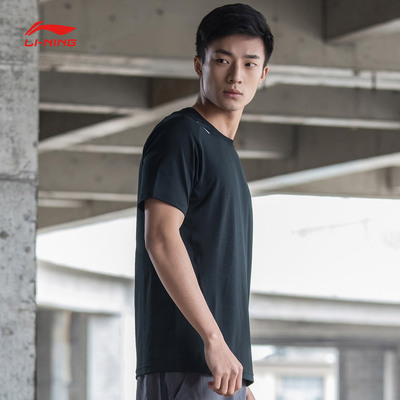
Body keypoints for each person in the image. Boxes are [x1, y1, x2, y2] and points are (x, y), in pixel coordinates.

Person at [135, 3, 274, 399]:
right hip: (187, 362)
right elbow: (160, 237)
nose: (236, 75)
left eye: (249, 64)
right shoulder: (181, 135)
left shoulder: (225, 152)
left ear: (263, 74)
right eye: (223, 60)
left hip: (220, 371)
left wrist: (239, 373)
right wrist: (213, 341)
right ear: (200, 64)